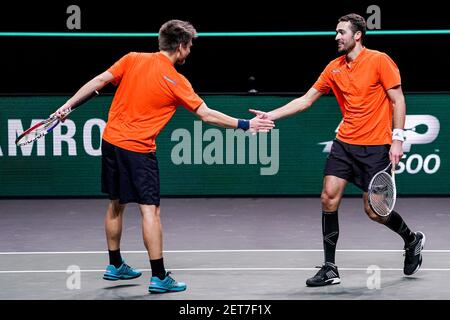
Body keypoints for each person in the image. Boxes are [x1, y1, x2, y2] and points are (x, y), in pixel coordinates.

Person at [53, 19, 275, 293]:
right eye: (190, 46)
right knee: (150, 211)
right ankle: (158, 276)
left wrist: (67, 105)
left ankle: (115, 264)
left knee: (116, 203)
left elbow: (99, 80)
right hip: (137, 150)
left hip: (111, 142)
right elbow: (206, 115)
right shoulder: (176, 80)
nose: (190, 51)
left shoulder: (132, 59)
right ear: (181, 46)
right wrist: (246, 124)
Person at [249, 13, 425, 287]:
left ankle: (411, 240)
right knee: (328, 198)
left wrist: (398, 139)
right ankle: (330, 267)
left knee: (375, 211)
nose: (336, 37)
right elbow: (306, 100)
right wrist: (269, 116)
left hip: (375, 146)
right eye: (336, 32)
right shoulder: (334, 68)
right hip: (344, 145)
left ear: (357, 35)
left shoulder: (380, 60)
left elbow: (398, 100)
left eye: (341, 32)